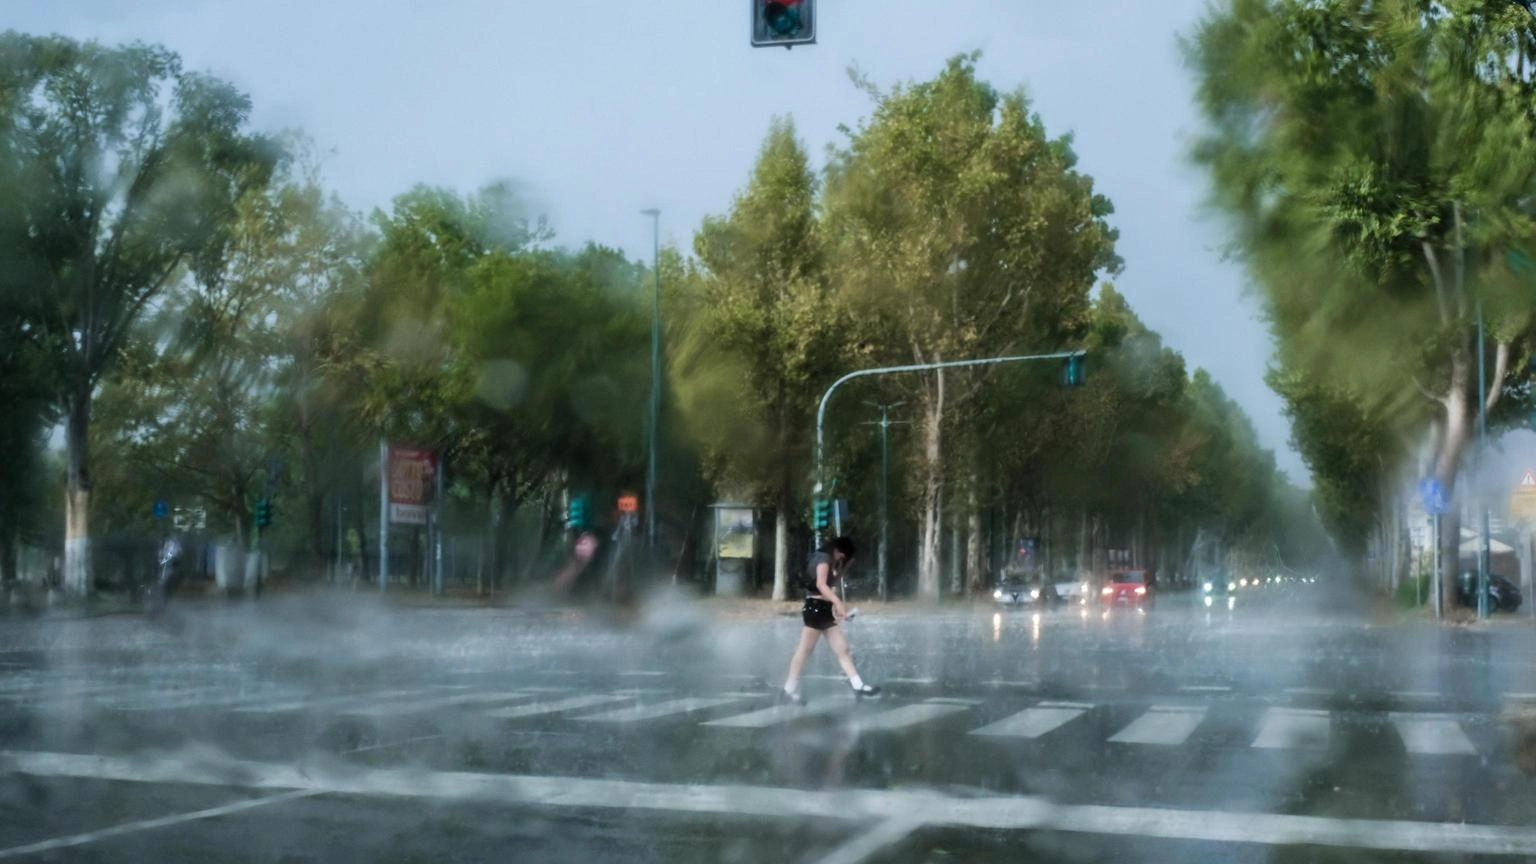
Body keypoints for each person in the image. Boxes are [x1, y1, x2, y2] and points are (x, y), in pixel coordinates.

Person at [781, 536, 880, 704]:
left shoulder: (826, 559)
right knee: (804, 651)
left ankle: (858, 686)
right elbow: (821, 585)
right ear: (835, 549)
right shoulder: (823, 559)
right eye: (842, 555)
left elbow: (830, 581)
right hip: (816, 608)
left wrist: (844, 568)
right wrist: (837, 601)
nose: (842, 558)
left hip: (822, 610)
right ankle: (788, 690)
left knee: (842, 650)